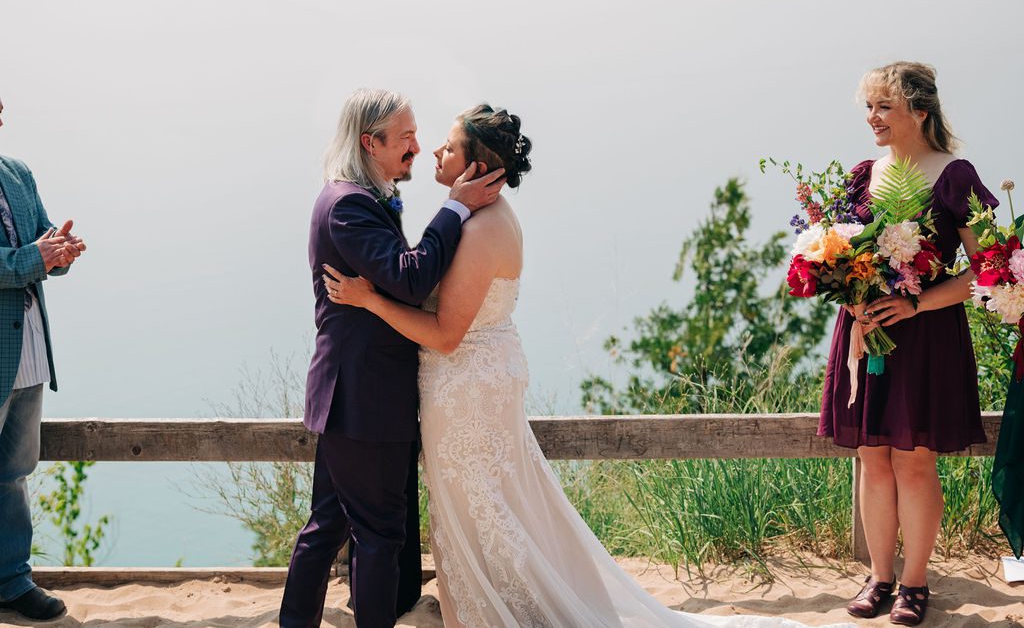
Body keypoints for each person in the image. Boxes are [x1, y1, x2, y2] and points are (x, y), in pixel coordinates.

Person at [324, 104, 844, 628]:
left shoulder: (482, 231)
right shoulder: (475, 217)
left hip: (466, 387)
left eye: (450, 147)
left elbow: (445, 334)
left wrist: (369, 302)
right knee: (489, 505)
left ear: (476, 169)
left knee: (484, 507)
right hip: (471, 380)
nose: (435, 150)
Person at [279, 88, 505, 628]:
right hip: (365, 396)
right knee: (379, 533)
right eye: (404, 138)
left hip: (350, 396)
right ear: (369, 143)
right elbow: (409, 278)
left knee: (328, 525)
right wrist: (455, 209)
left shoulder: (357, 196)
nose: (416, 147)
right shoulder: (348, 207)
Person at [818, 63, 995, 625]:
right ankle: (879, 577)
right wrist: (848, 294)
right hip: (865, 335)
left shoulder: (955, 176)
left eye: (883, 107)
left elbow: (990, 269)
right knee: (873, 460)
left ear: (919, 111)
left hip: (928, 337)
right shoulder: (860, 175)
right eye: (867, 107)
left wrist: (915, 302)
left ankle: (914, 585)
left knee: (914, 464)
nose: (871, 118)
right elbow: (835, 256)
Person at [0, 96, 87, 621]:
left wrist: (62, 251)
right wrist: (37, 256)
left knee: (13, 473)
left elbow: (43, 243)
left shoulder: (17, 172)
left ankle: (12, 582)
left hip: (28, 357)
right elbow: (27, 256)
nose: (1, 115)